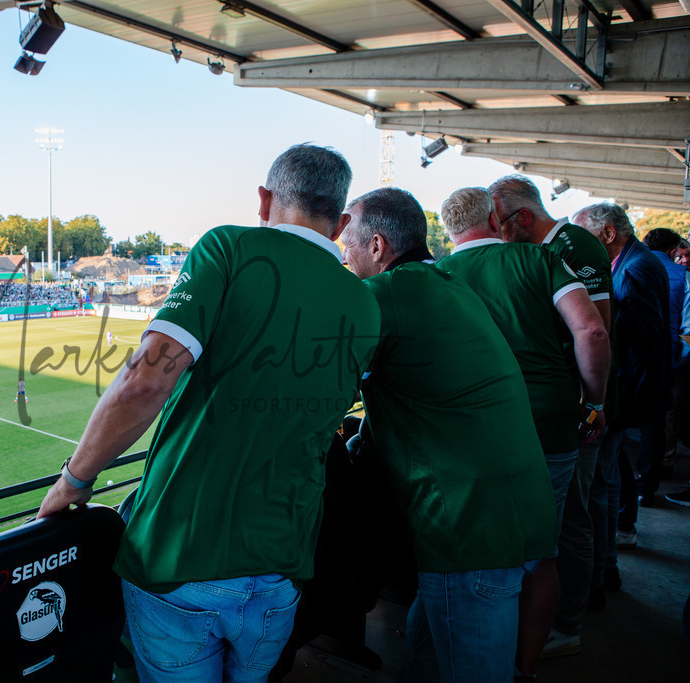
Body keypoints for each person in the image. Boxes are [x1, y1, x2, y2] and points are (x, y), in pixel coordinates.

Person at [38, 145, 380, 681]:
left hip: (181, 554)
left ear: (264, 200)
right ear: (339, 224)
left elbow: (144, 381)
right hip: (282, 566)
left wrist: (73, 481)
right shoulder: (364, 301)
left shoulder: (229, 246)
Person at [340, 186, 556, 683]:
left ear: (376, 247)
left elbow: (316, 384)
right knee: (426, 653)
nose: (345, 259)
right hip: (512, 508)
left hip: (469, 526)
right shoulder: (445, 282)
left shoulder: (385, 294)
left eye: (348, 246)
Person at [437, 187, 611, 674]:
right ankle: (525, 666)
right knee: (541, 550)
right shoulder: (538, 261)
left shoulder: (436, 275)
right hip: (550, 421)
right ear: (496, 218)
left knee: (475, 546)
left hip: (472, 430)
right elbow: (592, 330)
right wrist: (595, 402)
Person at [488, 174, 616, 652]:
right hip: (567, 401)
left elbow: (598, 329)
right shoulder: (537, 252)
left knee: (570, 518)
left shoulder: (573, 244)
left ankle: (567, 622)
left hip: (578, 404)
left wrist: (594, 402)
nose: (496, 232)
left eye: (498, 222)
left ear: (522, 218)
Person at [575, 203, 670, 544]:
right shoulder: (639, 260)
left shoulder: (633, 269)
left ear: (609, 234)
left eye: (586, 236)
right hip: (637, 385)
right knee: (613, 468)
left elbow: (643, 335)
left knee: (607, 474)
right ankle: (616, 538)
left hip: (629, 386)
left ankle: (617, 537)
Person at [642, 228, 690, 482]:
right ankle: (661, 465)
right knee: (665, 413)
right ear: (673, 251)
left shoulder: (628, 267)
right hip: (673, 358)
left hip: (638, 355)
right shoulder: (684, 277)